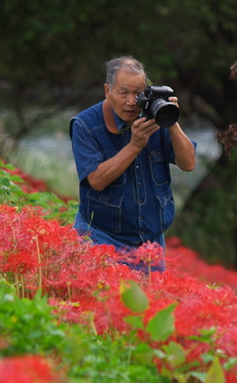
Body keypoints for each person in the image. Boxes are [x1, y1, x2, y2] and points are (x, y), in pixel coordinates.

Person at [70, 56, 197, 270]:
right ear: (107, 91)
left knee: (148, 303)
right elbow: (96, 180)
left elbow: (189, 164)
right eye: (123, 92)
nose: (131, 101)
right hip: (102, 235)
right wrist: (134, 146)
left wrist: (170, 120)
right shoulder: (85, 125)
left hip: (150, 242)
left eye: (138, 93)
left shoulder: (154, 118)